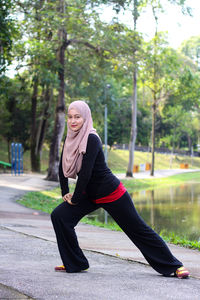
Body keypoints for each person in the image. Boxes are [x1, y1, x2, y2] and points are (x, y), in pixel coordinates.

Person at [51, 100, 189, 279]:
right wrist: (65, 193)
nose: (73, 121)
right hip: (89, 194)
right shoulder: (70, 139)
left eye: (77, 117)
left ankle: (174, 265)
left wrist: (75, 198)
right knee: (60, 216)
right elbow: (63, 168)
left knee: (138, 229)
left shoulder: (91, 138)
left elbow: (85, 174)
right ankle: (75, 262)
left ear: (85, 118)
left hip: (110, 192)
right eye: (70, 117)